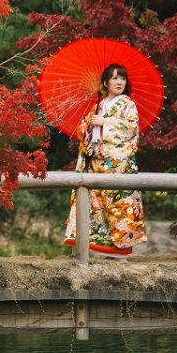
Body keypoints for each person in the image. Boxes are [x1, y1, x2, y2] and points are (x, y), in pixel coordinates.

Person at [63, 63, 147, 258]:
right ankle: (93, 240)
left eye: (123, 78)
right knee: (93, 201)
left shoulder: (128, 105)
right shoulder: (98, 106)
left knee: (118, 203)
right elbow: (83, 131)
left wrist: (106, 122)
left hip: (117, 164)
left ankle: (121, 245)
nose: (119, 82)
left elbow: (131, 129)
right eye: (115, 78)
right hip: (95, 161)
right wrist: (89, 126)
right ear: (105, 83)